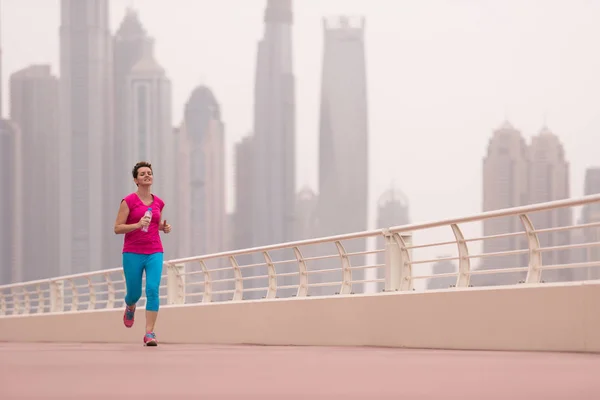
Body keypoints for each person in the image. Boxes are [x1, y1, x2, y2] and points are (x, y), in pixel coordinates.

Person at [113, 161, 172, 346]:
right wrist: (137, 225)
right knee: (134, 293)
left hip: (154, 250)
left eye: (149, 173)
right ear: (136, 180)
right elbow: (117, 228)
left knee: (153, 289)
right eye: (142, 174)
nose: (147, 175)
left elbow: (155, 224)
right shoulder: (128, 201)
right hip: (132, 252)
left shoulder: (159, 202)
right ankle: (130, 306)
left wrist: (163, 227)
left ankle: (150, 333)